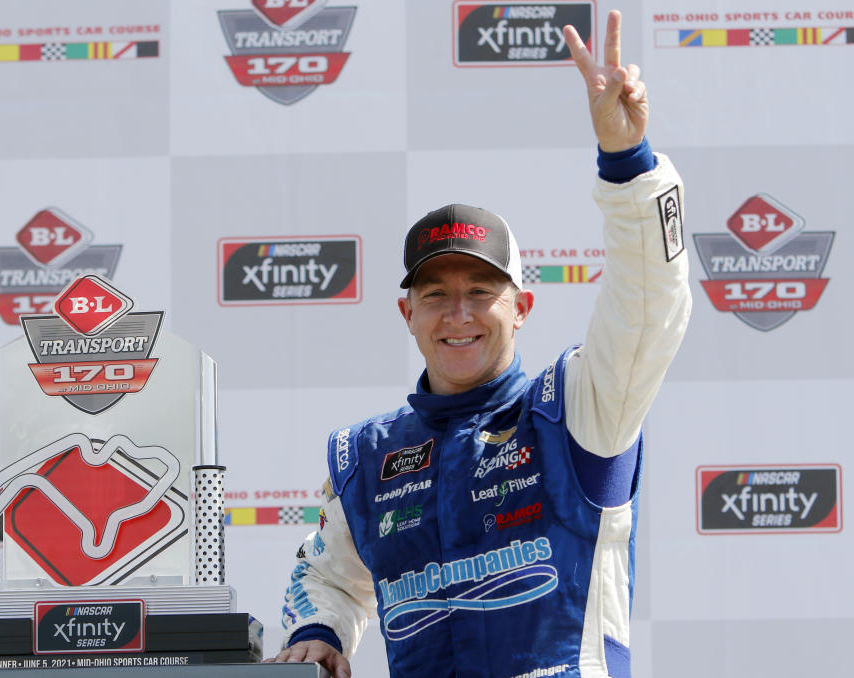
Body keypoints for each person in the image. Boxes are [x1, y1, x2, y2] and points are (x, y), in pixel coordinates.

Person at [265, 10, 691, 678]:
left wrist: (628, 163)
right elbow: (327, 577)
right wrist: (320, 630)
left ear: (521, 307)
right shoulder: (367, 457)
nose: (458, 314)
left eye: (481, 292)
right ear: (407, 313)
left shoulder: (580, 406)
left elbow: (649, 305)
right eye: (436, 294)